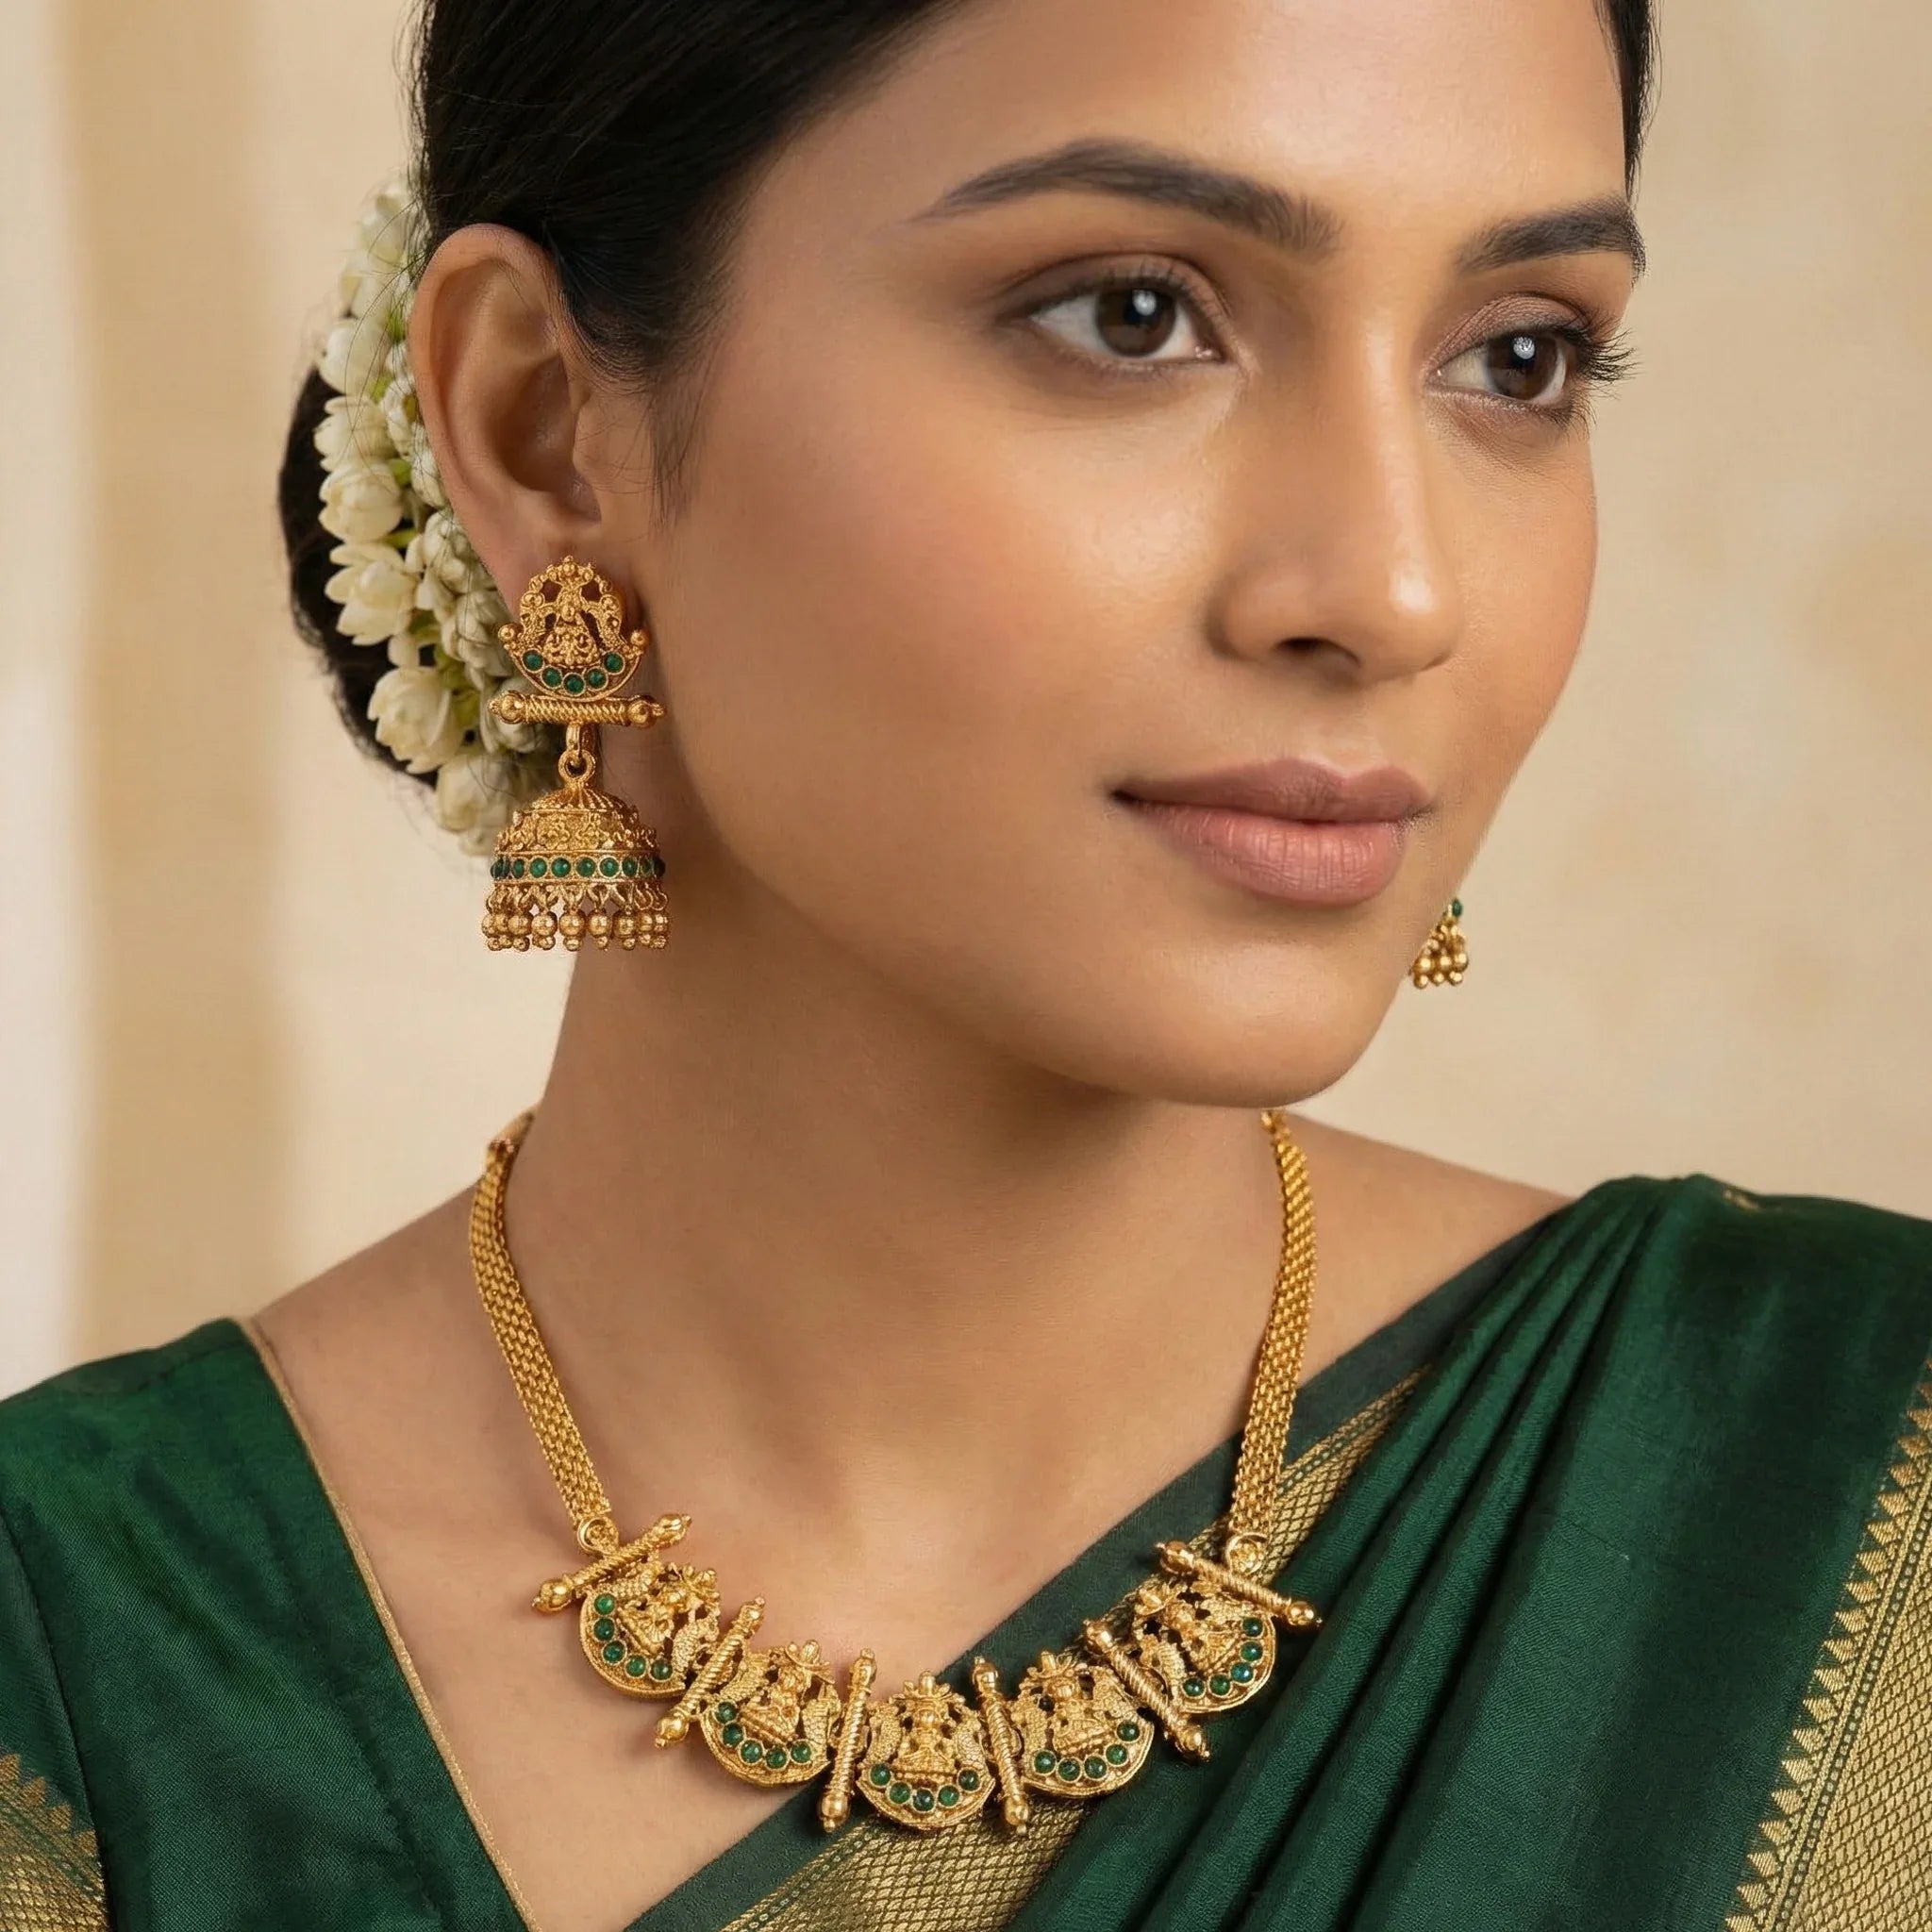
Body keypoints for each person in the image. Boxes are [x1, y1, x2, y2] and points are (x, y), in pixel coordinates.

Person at [3, 0, 1927, 1924]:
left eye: (1518, 358)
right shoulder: (86, 1681)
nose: (1392, 591)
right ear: (538, 427)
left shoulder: (1843, 1491)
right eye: (1132, 318)